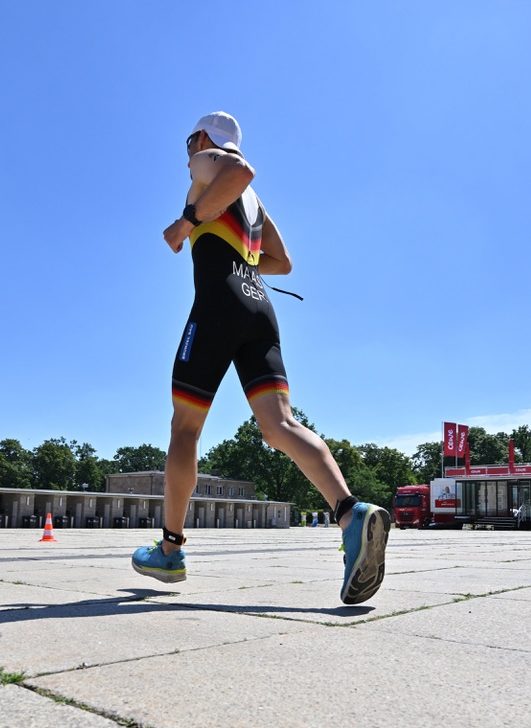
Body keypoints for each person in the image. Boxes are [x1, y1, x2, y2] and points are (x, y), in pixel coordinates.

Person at [131, 112, 391, 605]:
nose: (188, 155)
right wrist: (243, 261)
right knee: (279, 427)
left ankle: (170, 550)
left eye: (191, 143)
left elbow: (241, 170)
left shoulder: (216, 165)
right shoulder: (254, 208)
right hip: (260, 308)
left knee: (184, 428)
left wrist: (186, 223)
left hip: (220, 303)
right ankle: (349, 512)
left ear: (205, 139)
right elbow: (283, 262)